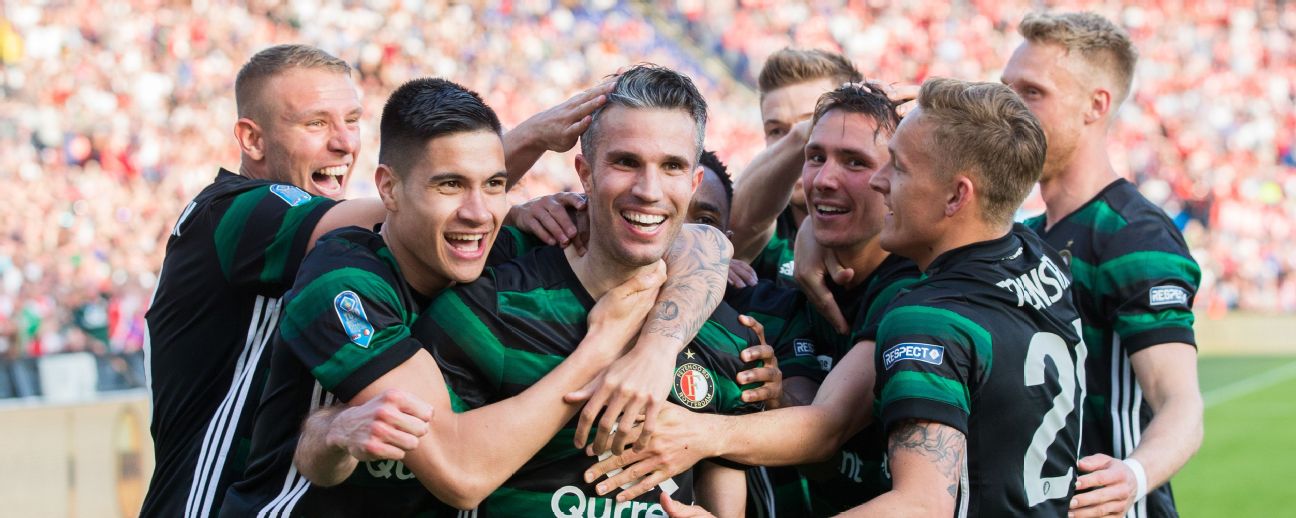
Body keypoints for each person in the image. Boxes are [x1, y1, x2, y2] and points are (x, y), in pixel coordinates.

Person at [143, 43, 626, 518]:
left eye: (352, 121)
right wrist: (523, 146)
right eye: (316, 123)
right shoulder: (234, 212)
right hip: (201, 501)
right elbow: (400, 218)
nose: (344, 142)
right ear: (252, 140)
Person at [222, 74, 733, 516]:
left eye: (494, 185)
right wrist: (605, 342)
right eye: (449, 185)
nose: (479, 213)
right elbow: (460, 471)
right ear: (390, 190)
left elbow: (703, 240)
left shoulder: (507, 245)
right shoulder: (344, 279)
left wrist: (656, 349)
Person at [414, 64, 760, 516]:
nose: (649, 190)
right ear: (585, 172)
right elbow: (442, 475)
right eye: (626, 162)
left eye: (671, 166)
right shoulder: (486, 312)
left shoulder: (731, 337)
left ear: (693, 183)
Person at [584, 83, 921, 517]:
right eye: (815, 157)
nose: (824, 179)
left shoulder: (909, 284)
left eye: (854, 161)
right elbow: (730, 222)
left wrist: (698, 434)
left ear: (892, 176)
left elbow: (825, 428)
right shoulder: (786, 267)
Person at [1002, 12, 1203, 518]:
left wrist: (1130, 477)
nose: (1008, 109)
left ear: (1097, 105)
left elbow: (1180, 403)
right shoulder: (1024, 234)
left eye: (1032, 92)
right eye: (1005, 89)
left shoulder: (1133, 235)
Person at [727, 48, 862, 289]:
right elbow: (732, 224)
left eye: (813, 121)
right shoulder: (765, 222)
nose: (797, 148)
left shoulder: (889, 220)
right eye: (776, 131)